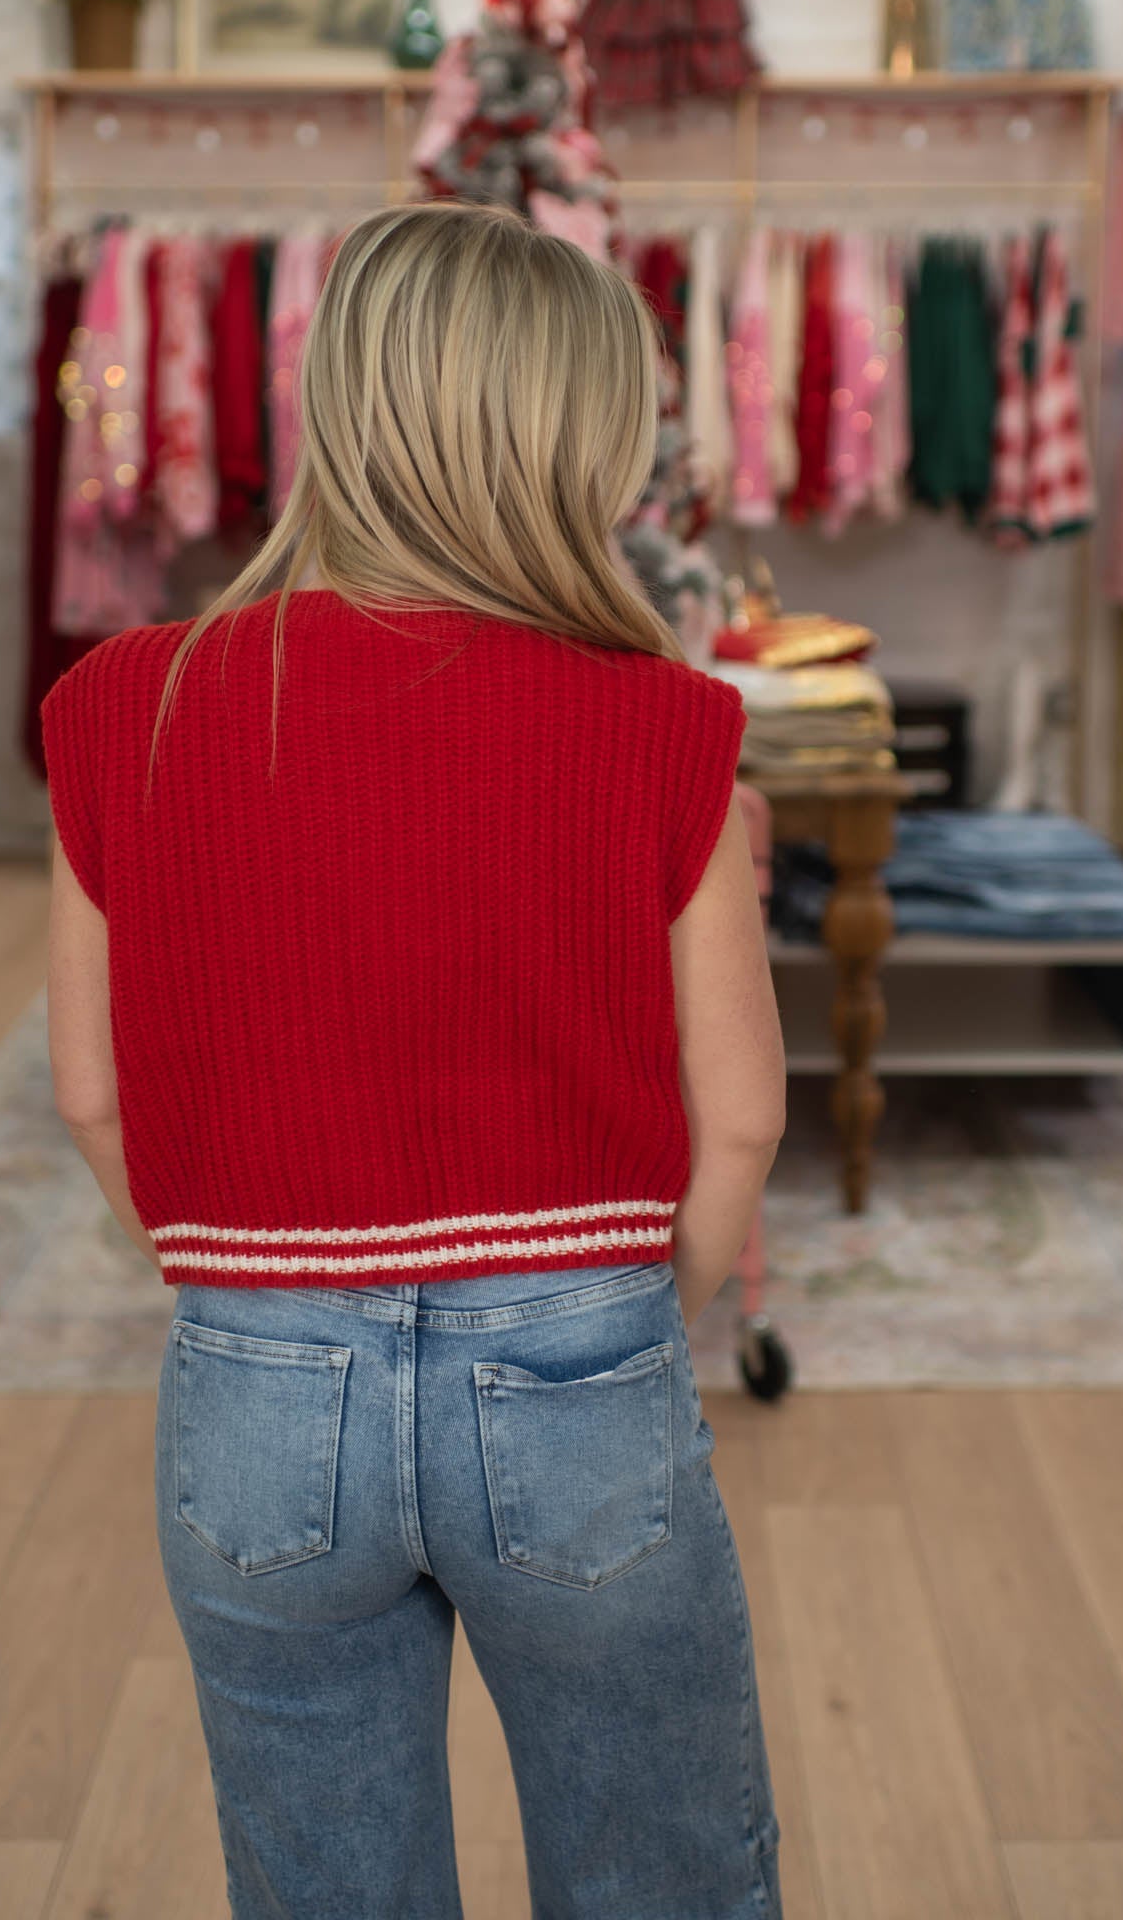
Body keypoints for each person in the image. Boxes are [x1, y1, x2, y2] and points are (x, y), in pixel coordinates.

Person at [42, 200, 786, 1920]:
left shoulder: (125, 703)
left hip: (256, 1374)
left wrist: (247, 1291)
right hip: (581, 1351)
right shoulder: (664, 718)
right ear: (576, 443)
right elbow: (741, 1117)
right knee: (663, 1870)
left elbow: (89, 1093)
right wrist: (619, 1326)